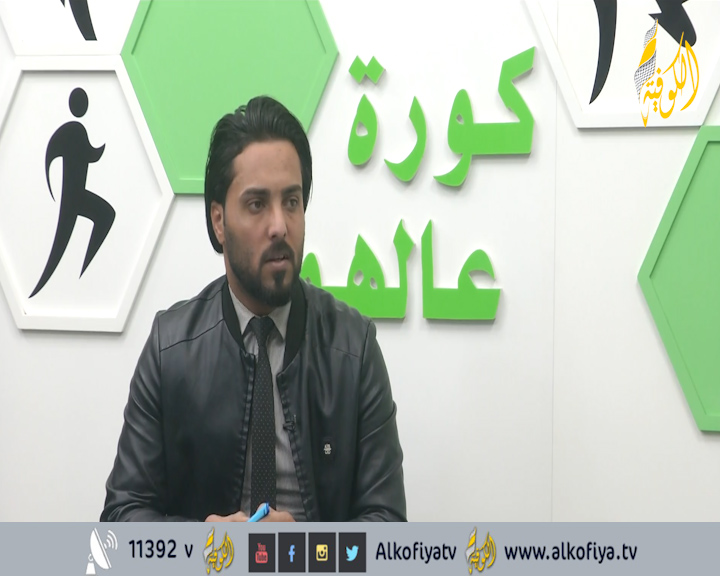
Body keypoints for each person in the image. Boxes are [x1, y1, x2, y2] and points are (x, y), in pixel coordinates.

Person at [100, 96, 406, 522]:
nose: (279, 225)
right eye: (257, 204)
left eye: (292, 202)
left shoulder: (353, 349)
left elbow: (387, 525)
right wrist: (204, 546)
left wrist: (303, 550)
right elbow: (122, 517)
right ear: (219, 221)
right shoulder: (171, 349)